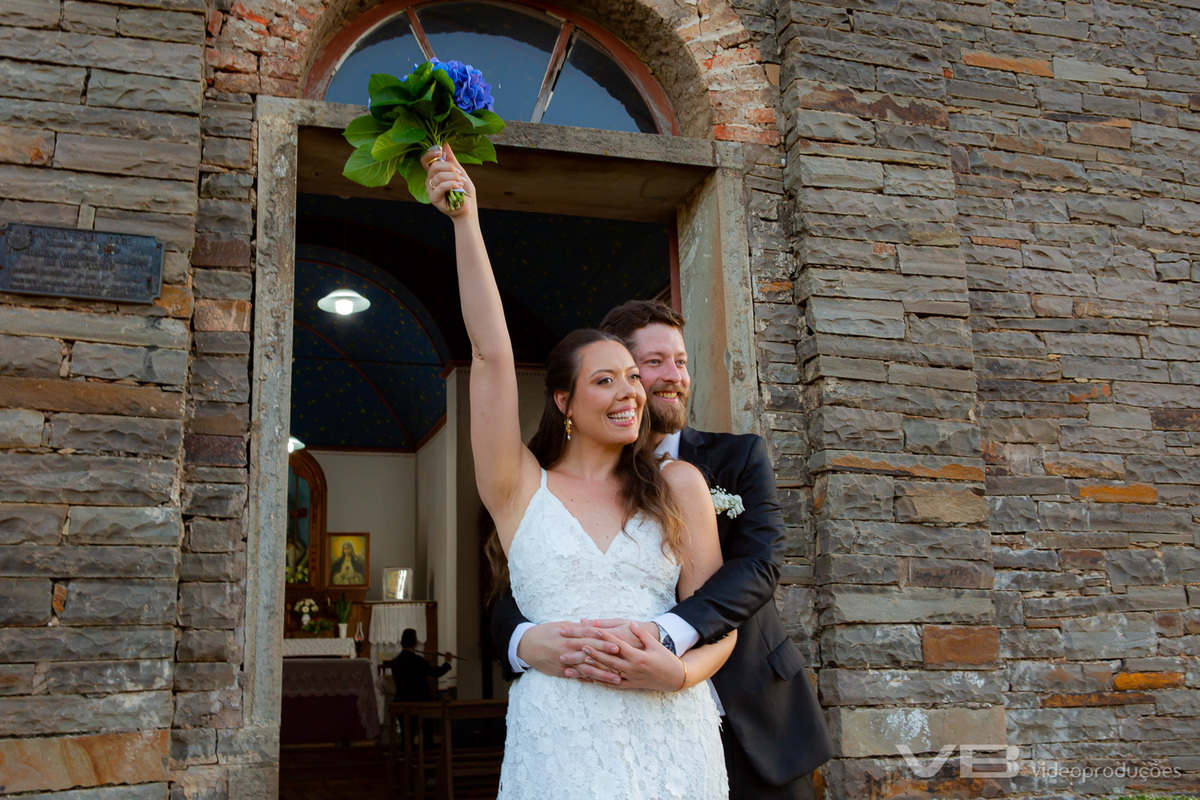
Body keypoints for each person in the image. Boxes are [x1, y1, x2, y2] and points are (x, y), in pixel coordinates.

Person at [423, 145, 733, 799]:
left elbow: (719, 620)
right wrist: (465, 219)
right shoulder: (517, 486)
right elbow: (489, 352)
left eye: (633, 378)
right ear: (564, 401)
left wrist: (678, 674)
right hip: (560, 739)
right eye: (605, 380)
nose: (630, 393)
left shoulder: (679, 486)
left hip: (672, 736)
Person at [492, 301, 835, 799]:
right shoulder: (543, 478)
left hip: (751, 714)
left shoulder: (736, 456)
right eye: (652, 363)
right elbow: (522, 587)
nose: (673, 376)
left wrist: (665, 638)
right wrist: (523, 641)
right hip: (598, 730)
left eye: (681, 361)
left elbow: (759, 567)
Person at [384, 628, 452, 703]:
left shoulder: (395, 662)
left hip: (401, 703)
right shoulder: (418, 661)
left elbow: (411, 671)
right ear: (415, 643)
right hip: (419, 703)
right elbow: (436, 672)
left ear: (402, 642)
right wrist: (448, 662)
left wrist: (430, 660)